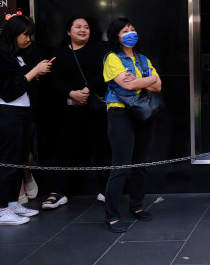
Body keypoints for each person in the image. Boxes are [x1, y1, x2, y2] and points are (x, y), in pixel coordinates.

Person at [42, 16, 110, 209]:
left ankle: (107, 189)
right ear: (68, 31)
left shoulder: (100, 49)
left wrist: (87, 90)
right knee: (66, 149)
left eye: (86, 27)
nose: (83, 30)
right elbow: (52, 79)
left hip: (96, 107)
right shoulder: (59, 54)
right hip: (69, 109)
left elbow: (106, 72)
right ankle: (59, 192)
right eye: (78, 27)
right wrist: (71, 93)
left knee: (102, 148)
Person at [102, 18, 162, 233]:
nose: (130, 33)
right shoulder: (111, 58)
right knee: (120, 166)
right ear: (116, 36)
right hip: (119, 112)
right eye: (125, 31)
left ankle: (136, 206)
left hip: (143, 112)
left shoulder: (143, 58)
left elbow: (159, 84)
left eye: (133, 30)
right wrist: (147, 80)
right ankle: (111, 216)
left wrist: (137, 81)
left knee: (140, 165)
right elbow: (126, 84)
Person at [0, 14, 51, 225]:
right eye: (25, 34)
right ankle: (1, 209)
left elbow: (22, 85)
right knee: (7, 162)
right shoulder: (1, 56)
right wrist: (33, 71)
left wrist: (34, 74)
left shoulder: (19, 56)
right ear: (13, 34)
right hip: (7, 114)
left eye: (30, 35)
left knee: (18, 161)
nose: (28, 39)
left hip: (23, 114)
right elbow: (9, 91)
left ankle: (11, 203)